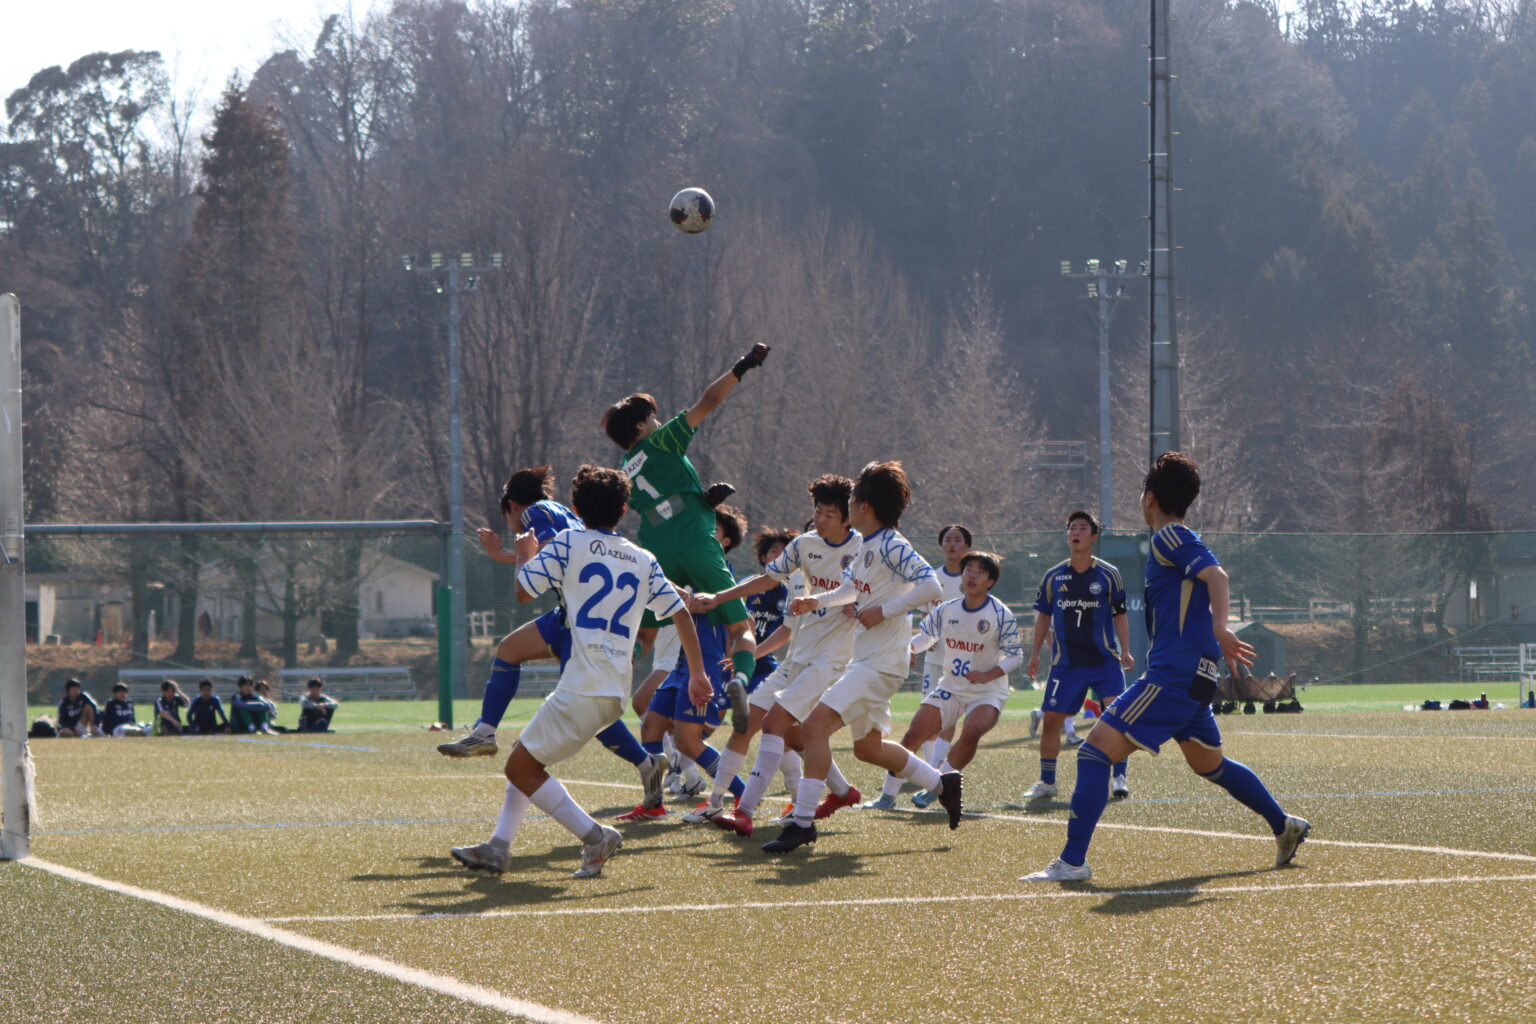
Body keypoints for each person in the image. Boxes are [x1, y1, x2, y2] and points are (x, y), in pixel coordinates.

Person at [1021, 452, 1310, 883]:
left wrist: (1221, 629)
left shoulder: (1168, 536)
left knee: (1093, 752)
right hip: (1194, 676)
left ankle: (1072, 863)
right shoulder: (1180, 539)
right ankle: (1283, 824)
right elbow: (1202, 590)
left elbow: (1218, 577)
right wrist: (1213, 640)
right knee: (1210, 765)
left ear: (1150, 498)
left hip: (1173, 675)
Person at [449, 465, 709, 879]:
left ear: (575, 506)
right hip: (614, 690)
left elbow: (523, 591)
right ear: (623, 510)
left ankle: (595, 835)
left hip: (582, 684)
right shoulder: (642, 558)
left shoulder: (568, 543)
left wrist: (523, 553)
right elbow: (680, 614)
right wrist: (697, 673)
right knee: (525, 757)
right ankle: (498, 847)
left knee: (520, 767)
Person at [437, 465, 666, 809]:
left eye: (508, 517)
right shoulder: (557, 510)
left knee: (589, 711)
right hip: (573, 615)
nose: (512, 525)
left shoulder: (535, 512)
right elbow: (552, 554)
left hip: (578, 622)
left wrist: (519, 555)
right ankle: (484, 732)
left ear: (513, 505)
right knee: (510, 649)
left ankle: (646, 765)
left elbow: (542, 554)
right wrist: (507, 555)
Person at [763, 461, 954, 853]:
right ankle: (942, 784)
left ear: (864, 506)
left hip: (881, 665)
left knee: (812, 728)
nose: (848, 505)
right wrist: (816, 600)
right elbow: (851, 589)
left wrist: (885, 611)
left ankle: (802, 823)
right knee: (868, 749)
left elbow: (932, 586)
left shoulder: (893, 545)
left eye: (851, 500)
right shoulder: (869, 544)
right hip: (866, 661)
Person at [601, 344, 770, 733]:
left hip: (656, 548)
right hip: (695, 539)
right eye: (652, 417)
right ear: (640, 427)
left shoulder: (624, 469)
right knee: (740, 627)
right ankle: (739, 682)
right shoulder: (662, 441)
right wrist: (742, 366)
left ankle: (610, 668)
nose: (658, 421)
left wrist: (702, 500)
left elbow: (657, 501)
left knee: (646, 632)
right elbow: (709, 400)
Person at [700, 476, 863, 838]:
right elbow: (768, 580)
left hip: (830, 661)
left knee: (776, 725)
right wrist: (721, 597)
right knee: (759, 725)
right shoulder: (804, 545)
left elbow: (865, 593)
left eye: (829, 513)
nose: (820, 519)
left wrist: (854, 606)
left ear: (847, 517)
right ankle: (841, 791)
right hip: (796, 659)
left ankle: (744, 811)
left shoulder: (863, 548)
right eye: (817, 511)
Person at [619, 505, 752, 822]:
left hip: (705, 665)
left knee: (688, 742)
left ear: (726, 542)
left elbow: (705, 608)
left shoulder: (718, 570)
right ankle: (653, 804)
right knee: (651, 725)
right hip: (684, 663)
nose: (702, 533)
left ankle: (744, 794)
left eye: (713, 530)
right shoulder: (688, 564)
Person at [1023, 510, 1135, 802]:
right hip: (1067, 664)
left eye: (1083, 528)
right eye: (1072, 528)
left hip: (1104, 662)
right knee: (1051, 720)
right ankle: (1047, 782)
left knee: (1118, 717)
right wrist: (1034, 654)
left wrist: (1125, 649)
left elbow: (1120, 615)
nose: (1076, 532)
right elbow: (1043, 618)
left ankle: (1119, 776)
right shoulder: (1053, 576)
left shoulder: (1109, 574)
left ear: (1093, 537)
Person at [901, 552, 1022, 808]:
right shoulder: (947, 609)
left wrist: (988, 675)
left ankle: (938, 784)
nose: (972, 575)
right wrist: (908, 649)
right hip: (951, 687)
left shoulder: (1001, 614)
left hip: (987, 692)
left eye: (980, 572)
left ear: (990, 581)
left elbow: (1015, 656)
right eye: (968, 569)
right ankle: (887, 796)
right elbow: (926, 637)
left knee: (972, 730)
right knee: (913, 735)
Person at [868, 522, 972, 809]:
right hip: (936, 660)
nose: (952, 544)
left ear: (967, 546)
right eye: (947, 539)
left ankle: (933, 778)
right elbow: (927, 621)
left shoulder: (974, 578)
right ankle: (926, 778)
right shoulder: (932, 578)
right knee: (927, 722)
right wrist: (915, 645)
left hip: (964, 666)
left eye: (957, 539)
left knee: (949, 722)